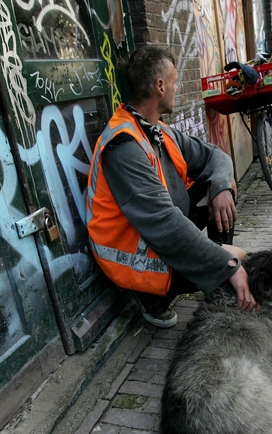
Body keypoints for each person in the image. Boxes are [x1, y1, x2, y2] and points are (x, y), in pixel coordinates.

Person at [86, 45, 258, 328]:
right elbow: (166, 226)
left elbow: (217, 157)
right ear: (160, 87)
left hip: (155, 233)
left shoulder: (157, 130)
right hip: (131, 256)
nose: (178, 88)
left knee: (216, 188)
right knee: (223, 261)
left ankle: (216, 281)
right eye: (176, 82)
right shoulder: (123, 147)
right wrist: (225, 264)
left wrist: (221, 187)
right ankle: (153, 297)